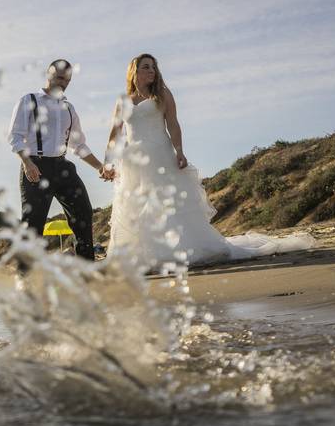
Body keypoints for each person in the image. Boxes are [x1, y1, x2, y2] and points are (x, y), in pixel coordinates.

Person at [104, 53, 313, 269]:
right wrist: (108, 162)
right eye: (146, 67)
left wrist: (179, 150)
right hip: (133, 162)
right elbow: (115, 133)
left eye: (153, 68)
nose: (151, 71)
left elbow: (173, 124)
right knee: (137, 208)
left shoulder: (162, 95)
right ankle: (141, 256)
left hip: (160, 156)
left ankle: (174, 251)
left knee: (165, 205)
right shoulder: (123, 101)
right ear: (134, 71)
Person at [6, 59, 113, 261]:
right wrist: (27, 162)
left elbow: (78, 145)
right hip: (35, 167)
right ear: (49, 75)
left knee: (83, 213)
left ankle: (86, 268)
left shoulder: (69, 109)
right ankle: (26, 279)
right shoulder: (29, 100)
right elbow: (15, 136)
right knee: (33, 225)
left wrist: (100, 167)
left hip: (63, 167)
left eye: (67, 80)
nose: (63, 83)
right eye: (60, 77)